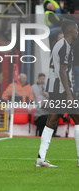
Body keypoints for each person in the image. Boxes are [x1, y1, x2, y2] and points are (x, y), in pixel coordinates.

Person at [35, 20, 79, 167]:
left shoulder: (59, 44)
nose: (78, 32)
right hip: (61, 89)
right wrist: (69, 94)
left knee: (51, 122)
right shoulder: (65, 46)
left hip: (54, 89)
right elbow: (62, 71)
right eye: (77, 30)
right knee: (78, 120)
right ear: (71, 31)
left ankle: (41, 158)